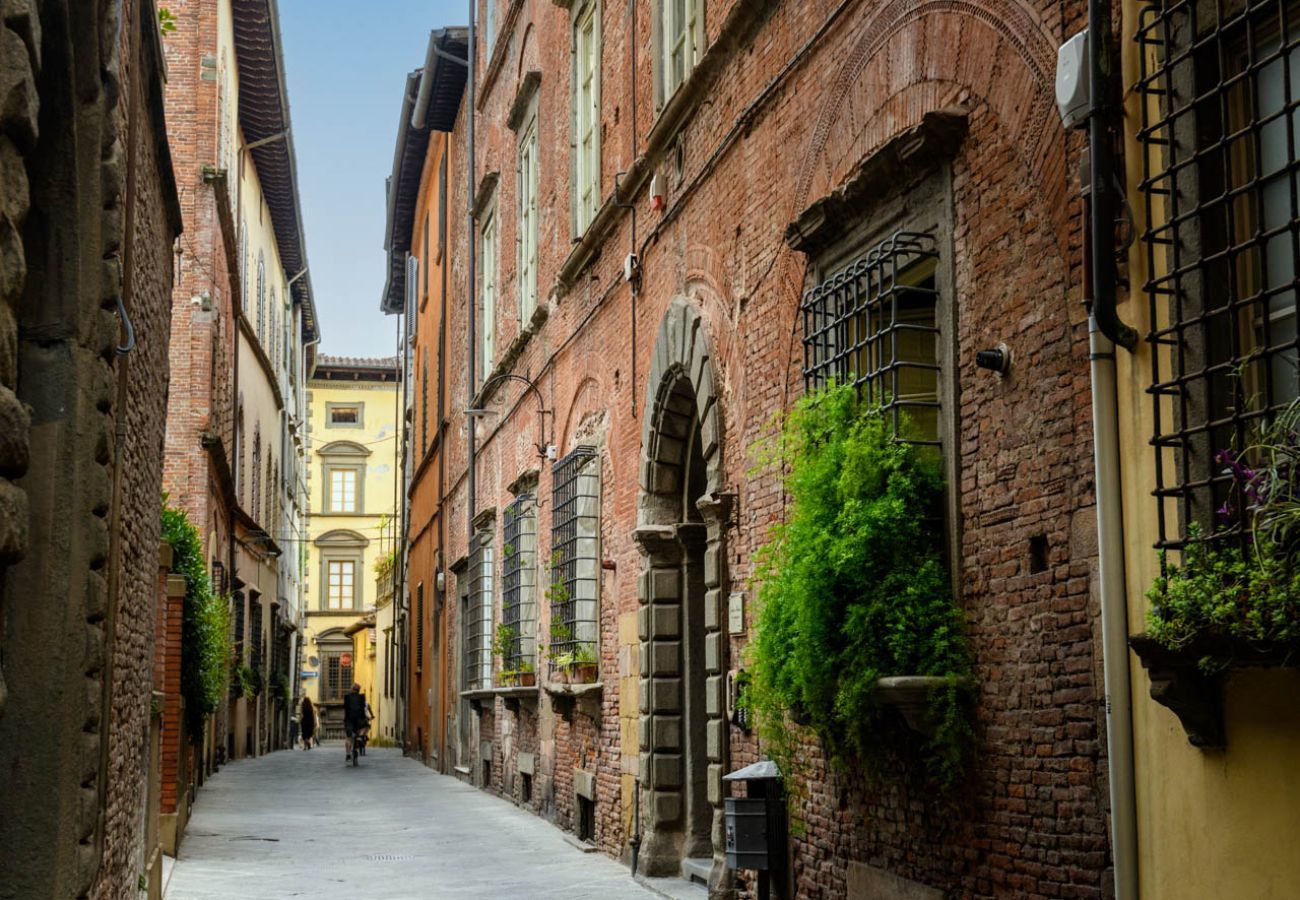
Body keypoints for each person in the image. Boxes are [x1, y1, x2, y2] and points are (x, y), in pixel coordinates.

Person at [342, 682, 368, 762]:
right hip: (360, 719)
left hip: (349, 719)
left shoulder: (347, 697)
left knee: (348, 737)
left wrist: (344, 719)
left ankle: (348, 754)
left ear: (351, 689)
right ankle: (360, 736)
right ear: (358, 690)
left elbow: (345, 708)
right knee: (366, 726)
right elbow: (363, 707)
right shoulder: (362, 697)